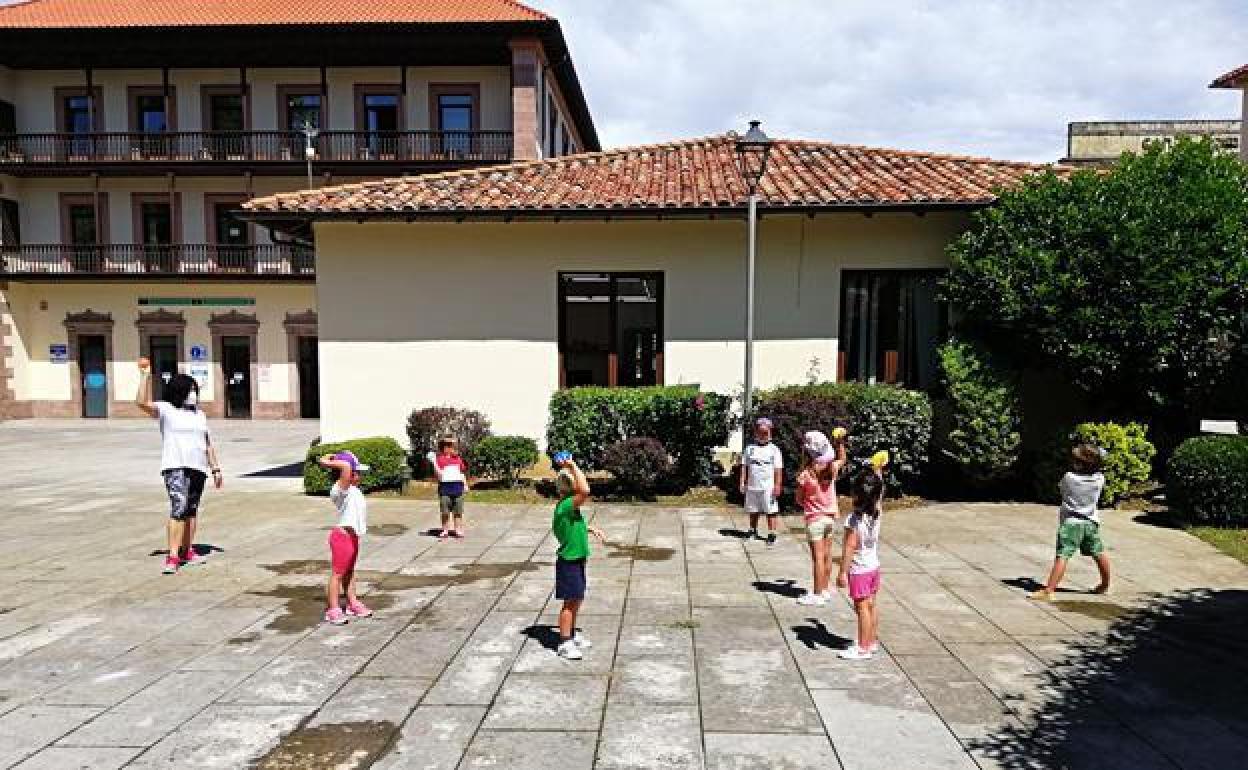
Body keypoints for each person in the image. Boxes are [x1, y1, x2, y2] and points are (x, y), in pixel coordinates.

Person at [135, 358, 222, 575]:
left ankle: (187, 549)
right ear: (179, 390)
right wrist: (145, 376)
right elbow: (141, 403)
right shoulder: (165, 410)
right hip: (175, 466)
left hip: (198, 467)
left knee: (191, 510)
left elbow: (207, 443)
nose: (193, 394)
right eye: (190, 389)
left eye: (195, 390)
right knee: (178, 507)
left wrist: (215, 468)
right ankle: (173, 556)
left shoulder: (199, 415)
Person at [1030, 445, 1111, 601]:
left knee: (1063, 556)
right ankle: (1105, 584)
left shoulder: (1069, 478)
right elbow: (1100, 459)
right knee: (1098, 553)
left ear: (1079, 464)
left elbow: (1061, 489)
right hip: (1090, 522)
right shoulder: (1100, 479)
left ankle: (1049, 590)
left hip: (1071, 523)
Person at [550, 453, 605, 660]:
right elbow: (586, 490)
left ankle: (571, 635)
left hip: (577, 559)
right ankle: (564, 642)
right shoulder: (565, 506)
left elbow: (573, 525)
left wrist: (590, 529)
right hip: (569, 562)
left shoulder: (569, 509)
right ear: (571, 489)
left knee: (577, 598)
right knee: (569, 602)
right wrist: (573, 465)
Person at [837, 451, 889, 660]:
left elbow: (849, 548)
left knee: (862, 609)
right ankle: (871, 641)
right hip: (874, 566)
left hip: (859, 570)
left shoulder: (854, 520)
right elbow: (880, 491)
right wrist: (878, 470)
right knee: (871, 606)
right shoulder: (876, 511)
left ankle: (862, 647)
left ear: (856, 496)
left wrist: (842, 572)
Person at [316, 451, 374, 625]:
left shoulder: (353, 490)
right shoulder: (340, 490)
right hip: (341, 537)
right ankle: (332, 608)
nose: (359, 476)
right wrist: (325, 461)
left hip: (353, 537)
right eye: (356, 473)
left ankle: (352, 602)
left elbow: (347, 467)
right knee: (338, 574)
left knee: (349, 572)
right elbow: (346, 467)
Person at [794, 429, 848, 606]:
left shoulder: (806, 475)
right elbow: (842, 459)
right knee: (827, 555)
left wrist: (807, 500)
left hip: (814, 520)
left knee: (817, 557)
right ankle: (825, 588)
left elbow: (799, 499)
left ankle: (817, 594)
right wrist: (840, 442)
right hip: (830, 519)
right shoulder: (831, 469)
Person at [740, 417, 783, 545]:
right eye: (760, 432)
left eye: (766, 433)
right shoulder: (749, 448)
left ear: (770, 433)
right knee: (753, 509)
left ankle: (771, 533)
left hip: (768, 487)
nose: (763, 435)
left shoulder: (774, 450)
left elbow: (778, 469)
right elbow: (744, 466)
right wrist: (742, 482)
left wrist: (777, 485)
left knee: (770, 510)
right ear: (756, 432)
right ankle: (752, 530)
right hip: (752, 486)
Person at [427, 436, 468, 539]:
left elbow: (462, 473)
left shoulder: (458, 459)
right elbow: (439, 476)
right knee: (445, 511)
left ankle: (457, 530)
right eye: (448, 445)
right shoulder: (439, 460)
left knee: (458, 511)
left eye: (452, 445)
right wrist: (434, 464)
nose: (451, 448)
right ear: (443, 447)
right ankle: (445, 530)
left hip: (458, 488)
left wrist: (465, 484)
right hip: (445, 489)